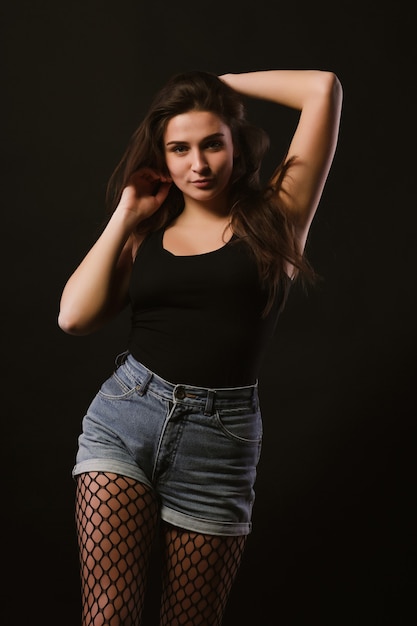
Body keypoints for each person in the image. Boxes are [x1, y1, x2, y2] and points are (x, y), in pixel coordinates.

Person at [58, 68, 343, 625]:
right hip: (125, 416)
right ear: (162, 159)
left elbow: (322, 88)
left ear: (236, 144)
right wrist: (127, 212)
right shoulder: (146, 231)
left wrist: (216, 81)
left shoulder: (277, 219)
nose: (198, 163)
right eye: (179, 149)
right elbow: (73, 317)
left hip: (222, 442)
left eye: (212, 143)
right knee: (108, 615)